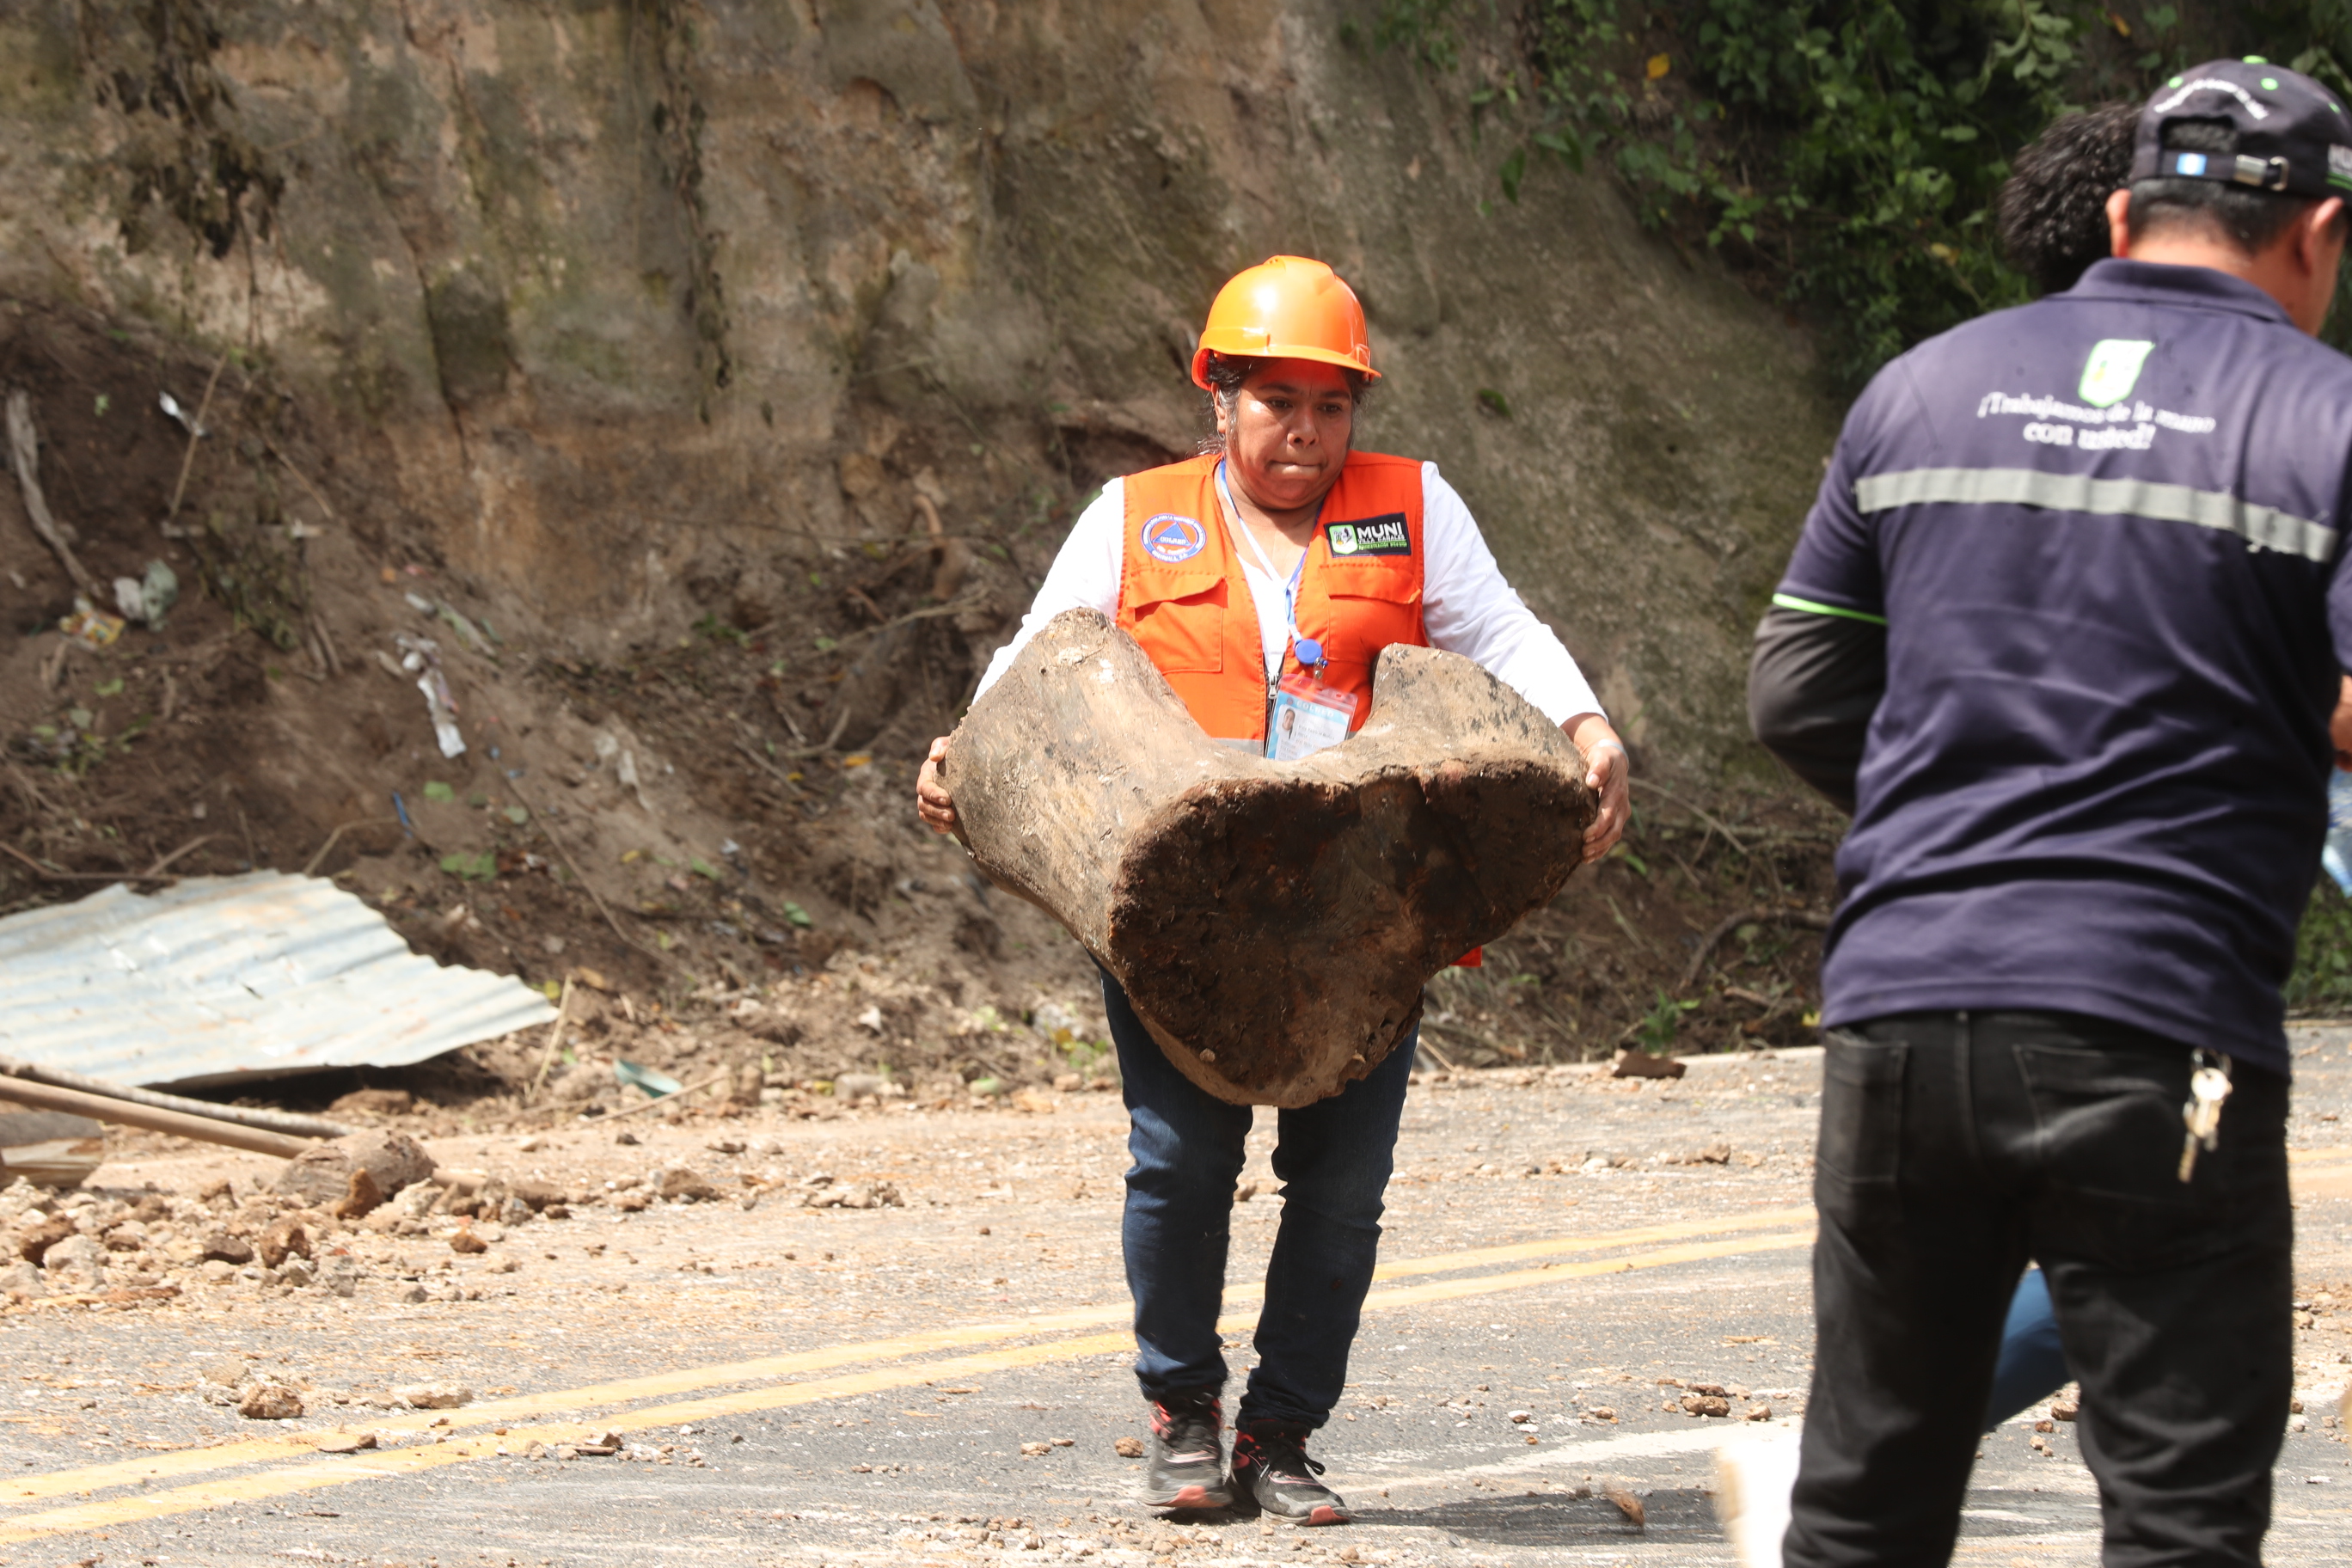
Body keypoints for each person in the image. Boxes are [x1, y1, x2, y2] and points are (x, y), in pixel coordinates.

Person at [1748, 58, 2351, 1566]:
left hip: (1900, 1007)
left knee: (1866, 1499)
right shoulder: (2327, 418)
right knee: (2176, 1515)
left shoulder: (1923, 387)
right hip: (2157, 1019)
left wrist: (1956, 804)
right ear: (2321, 233)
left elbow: (1798, 688)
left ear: (2120, 209)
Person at [916, 255, 1628, 1525]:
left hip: (1368, 903)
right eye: (1275, 403)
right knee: (1180, 1161)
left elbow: (1502, 631)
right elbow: (1040, 659)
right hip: (1184, 903)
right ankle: (1180, 1412)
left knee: (1343, 1186)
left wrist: (1581, 723)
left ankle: (1283, 1434)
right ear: (1219, 395)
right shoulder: (1136, 517)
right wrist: (963, 748)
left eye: (1330, 407)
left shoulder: (1411, 507)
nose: (1303, 433)